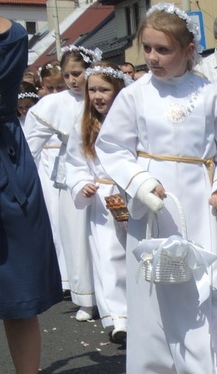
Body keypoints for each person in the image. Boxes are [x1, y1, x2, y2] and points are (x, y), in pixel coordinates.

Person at [96, 2, 217, 373]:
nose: (152, 57)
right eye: (147, 48)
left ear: (187, 51)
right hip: (155, 206)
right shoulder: (135, 94)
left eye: (162, 50)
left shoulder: (207, 92)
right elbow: (113, 146)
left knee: (213, 284)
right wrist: (141, 181)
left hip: (200, 202)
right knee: (158, 288)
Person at [1, 16, 63, 374]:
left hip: (8, 162)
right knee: (17, 296)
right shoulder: (16, 34)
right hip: (10, 158)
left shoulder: (12, 36)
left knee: (17, 294)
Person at [24, 45, 101, 322]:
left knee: (107, 238)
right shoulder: (54, 104)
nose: (72, 80)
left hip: (104, 171)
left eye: (78, 73)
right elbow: (31, 142)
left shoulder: (104, 95)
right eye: (67, 74)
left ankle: (115, 297)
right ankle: (86, 297)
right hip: (73, 172)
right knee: (76, 234)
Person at [65, 62, 133, 344]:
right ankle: (117, 317)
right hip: (102, 199)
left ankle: (143, 310)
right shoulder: (83, 125)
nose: (97, 96)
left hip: (130, 194)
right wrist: (83, 184)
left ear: (117, 91)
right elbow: (75, 163)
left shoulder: (130, 120)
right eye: (92, 90)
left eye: (104, 89)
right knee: (108, 256)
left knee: (134, 253)